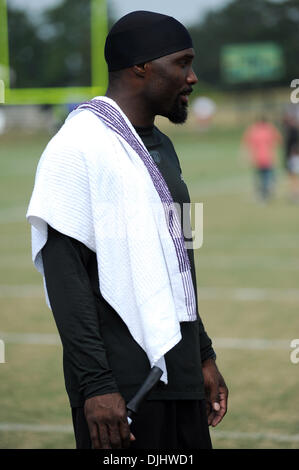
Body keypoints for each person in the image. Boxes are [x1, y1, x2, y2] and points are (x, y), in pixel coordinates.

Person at [26, 11, 228, 450]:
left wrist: (202, 353)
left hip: (181, 373)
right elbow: (66, 278)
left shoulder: (161, 145)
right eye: (182, 63)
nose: (192, 78)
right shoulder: (77, 147)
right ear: (141, 67)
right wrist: (96, 385)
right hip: (123, 388)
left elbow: (176, 266)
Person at [241, 117, 281, 202]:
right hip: (268, 157)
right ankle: (266, 192)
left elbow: (246, 142)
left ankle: (262, 194)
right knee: (266, 177)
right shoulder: (270, 128)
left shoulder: (254, 129)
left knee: (260, 178)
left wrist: (246, 156)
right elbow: (278, 140)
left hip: (258, 158)